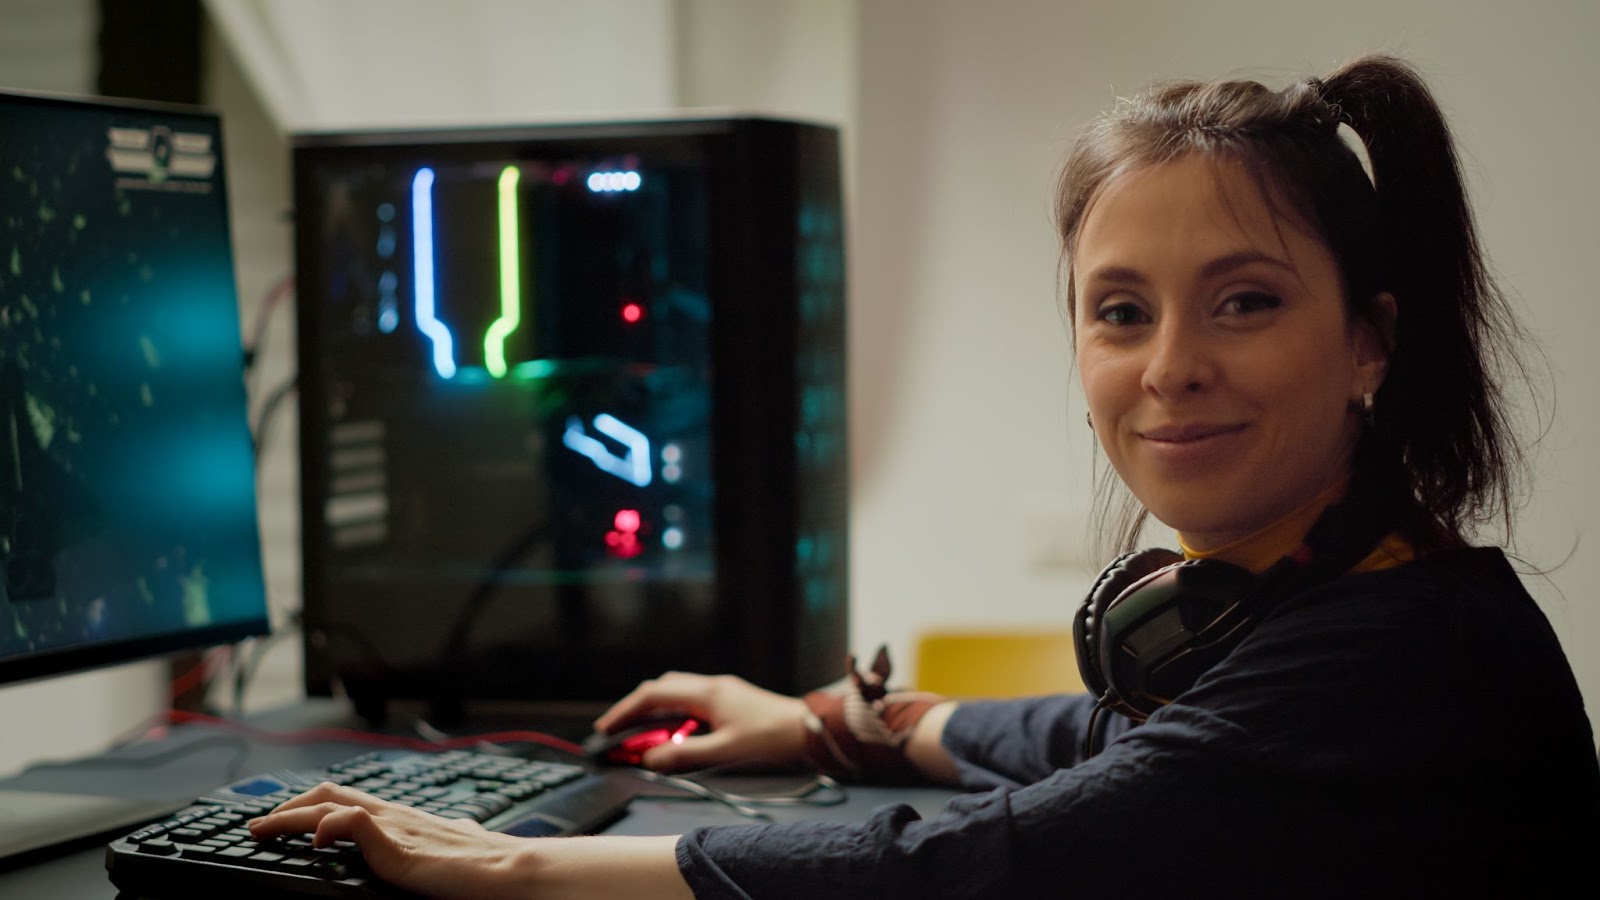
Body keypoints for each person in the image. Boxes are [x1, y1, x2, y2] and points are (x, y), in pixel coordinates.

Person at [249, 54, 1600, 897]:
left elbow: (1012, 857)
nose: (1168, 366)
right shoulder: (1316, 595)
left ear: (1369, 338)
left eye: (1243, 302)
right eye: (1120, 311)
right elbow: (1104, 741)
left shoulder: (1409, 656)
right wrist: (847, 721)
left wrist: (521, 862)